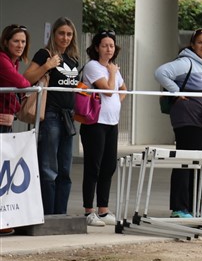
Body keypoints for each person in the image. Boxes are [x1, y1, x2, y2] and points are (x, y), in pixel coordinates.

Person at [155, 28, 202, 218]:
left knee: (200, 165)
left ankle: (195, 206)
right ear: (192, 44)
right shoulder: (186, 62)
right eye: (200, 42)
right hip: (190, 121)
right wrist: (176, 91)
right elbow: (161, 73)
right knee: (185, 162)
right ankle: (179, 207)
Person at [24, 17, 79, 216]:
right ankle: (47, 215)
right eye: (61, 33)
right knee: (48, 169)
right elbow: (27, 78)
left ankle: (60, 215)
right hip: (51, 116)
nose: (65, 38)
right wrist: (47, 66)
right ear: (54, 34)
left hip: (68, 118)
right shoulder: (44, 54)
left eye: (69, 34)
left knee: (65, 169)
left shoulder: (73, 58)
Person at [79, 30, 126, 227]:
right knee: (93, 166)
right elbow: (107, 90)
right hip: (95, 123)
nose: (109, 49)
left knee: (109, 166)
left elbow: (122, 90)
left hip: (111, 123)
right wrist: (112, 73)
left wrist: (117, 101)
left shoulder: (112, 67)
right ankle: (88, 210)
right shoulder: (93, 66)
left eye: (112, 46)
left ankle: (103, 209)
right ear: (97, 47)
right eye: (105, 45)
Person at [0, 24, 32, 133]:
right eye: (16, 41)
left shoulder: (14, 61)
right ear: (5, 42)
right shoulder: (2, 59)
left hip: (6, 118)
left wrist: (13, 113)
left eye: (23, 42)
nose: (20, 45)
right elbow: (21, 83)